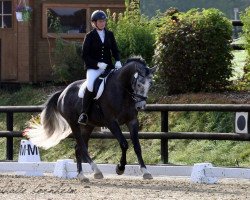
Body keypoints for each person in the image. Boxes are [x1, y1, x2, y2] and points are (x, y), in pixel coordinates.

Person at [78, 10, 122, 125]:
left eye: (104, 21)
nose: (103, 23)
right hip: (93, 68)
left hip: (108, 67)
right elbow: (84, 55)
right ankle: (84, 113)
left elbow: (115, 50)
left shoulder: (110, 34)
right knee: (91, 85)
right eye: (100, 21)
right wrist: (96, 64)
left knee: (118, 83)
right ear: (94, 23)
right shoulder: (89, 36)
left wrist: (117, 60)